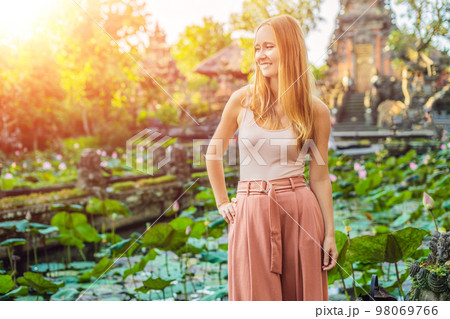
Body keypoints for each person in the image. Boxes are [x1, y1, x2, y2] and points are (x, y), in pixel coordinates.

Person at [205, 15, 337, 301]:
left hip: (301, 211)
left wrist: (330, 234)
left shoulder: (316, 110)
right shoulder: (242, 100)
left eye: (269, 46)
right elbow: (212, 154)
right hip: (251, 212)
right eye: (257, 48)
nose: (260, 55)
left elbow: (320, 176)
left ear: (289, 49)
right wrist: (222, 202)